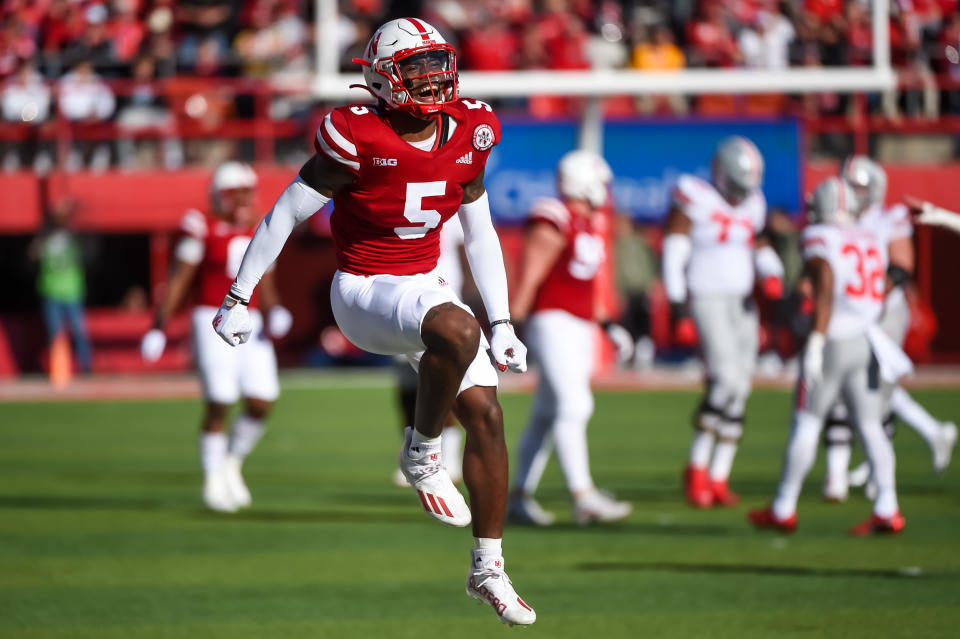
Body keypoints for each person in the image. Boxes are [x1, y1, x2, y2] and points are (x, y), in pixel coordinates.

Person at [209, 19, 536, 627]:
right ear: (384, 78)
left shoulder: (471, 128)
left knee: (488, 416)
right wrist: (238, 296)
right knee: (457, 333)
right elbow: (283, 214)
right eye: (416, 67)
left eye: (437, 63)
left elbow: (480, 230)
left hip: (427, 288)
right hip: (361, 292)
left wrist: (505, 321)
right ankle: (422, 451)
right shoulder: (355, 134)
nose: (433, 78)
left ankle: (488, 566)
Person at [749, 177, 910, 535]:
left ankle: (783, 507)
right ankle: (887, 505)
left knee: (806, 421)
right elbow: (879, 288)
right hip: (867, 336)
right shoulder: (868, 237)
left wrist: (818, 340)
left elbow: (825, 283)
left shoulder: (821, 236)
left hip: (834, 336)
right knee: (870, 425)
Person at [140, 161, 292, 513]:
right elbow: (180, 279)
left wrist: (275, 310)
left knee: (262, 400)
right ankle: (212, 479)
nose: (242, 200)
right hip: (212, 315)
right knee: (220, 398)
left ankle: (231, 463)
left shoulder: (261, 226)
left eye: (246, 192)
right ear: (219, 195)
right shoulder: (201, 227)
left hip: (250, 319)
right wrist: (158, 326)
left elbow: (265, 282)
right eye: (234, 193)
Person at [506, 149, 633, 526]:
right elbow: (530, 277)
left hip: (579, 326)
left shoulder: (589, 223)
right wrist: (509, 327)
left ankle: (518, 497)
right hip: (552, 322)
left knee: (546, 414)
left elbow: (586, 287)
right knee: (575, 406)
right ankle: (583, 495)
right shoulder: (554, 217)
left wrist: (609, 326)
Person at [821, 157, 957, 502]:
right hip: (849, 314)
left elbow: (899, 269)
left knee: (874, 394)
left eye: (861, 186)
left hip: (881, 313)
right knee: (850, 392)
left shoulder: (888, 217)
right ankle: (860, 474)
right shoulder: (836, 216)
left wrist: (863, 299)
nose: (855, 193)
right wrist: (943, 218)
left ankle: (879, 476)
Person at [662, 136, 784, 508]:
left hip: (743, 301)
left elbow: (758, 240)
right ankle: (697, 467)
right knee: (725, 380)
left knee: (742, 387)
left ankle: (719, 475)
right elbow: (674, 251)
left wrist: (772, 271)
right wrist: (679, 307)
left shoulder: (754, 202)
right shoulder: (694, 195)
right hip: (707, 297)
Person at [392, 214, 465, 487]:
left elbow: (467, 250)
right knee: (409, 390)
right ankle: (413, 452)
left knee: (442, 385)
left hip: (443, 302)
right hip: (404, 302)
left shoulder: (453, 207)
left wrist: (471, 295)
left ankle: (450, 458)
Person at [31, 198, 93, 374]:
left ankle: (86, 367)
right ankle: (55, 369)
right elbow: (31, 255)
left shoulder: (73, 234)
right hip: (51, 290)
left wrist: (72, 211)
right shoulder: (44, 236)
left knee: (79, 331)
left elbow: (89, 244)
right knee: (54, 332)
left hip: (73, 290)